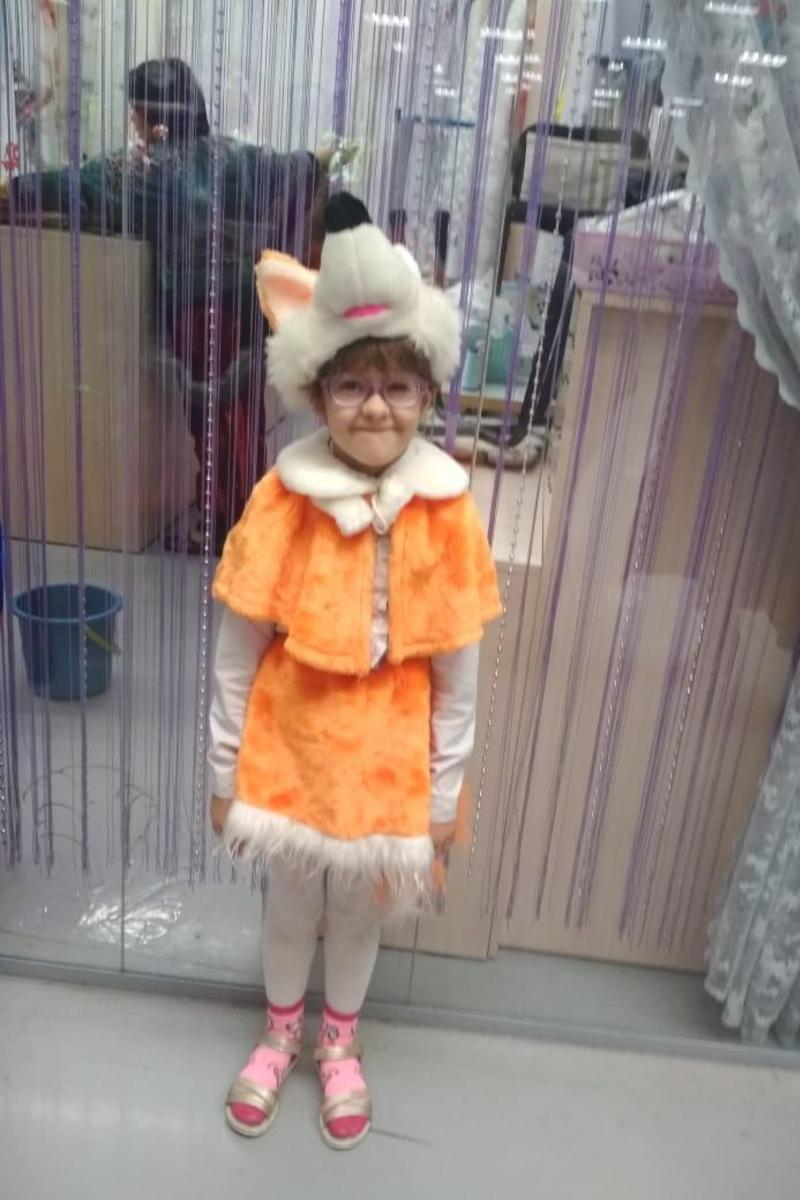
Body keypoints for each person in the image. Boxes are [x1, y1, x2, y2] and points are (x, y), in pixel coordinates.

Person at [206, 192, 501, 1149]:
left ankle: (339, 1044)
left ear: (428, 396)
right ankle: (279, 1034)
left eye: (399, 387)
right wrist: (223, 772)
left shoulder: (447, 511)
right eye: (353, 386)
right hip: (291, 747)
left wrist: (443, 796)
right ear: (318, 392)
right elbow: (237, 648)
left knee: (359, 912)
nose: (376, 405)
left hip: (387, 763)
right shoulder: (283, 498)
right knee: (293, 902)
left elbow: (458, 672)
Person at [12, 57, 326, 553]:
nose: (134, 120)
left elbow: (69, 186)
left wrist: (13, 188)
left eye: (136, 110)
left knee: (213, 422)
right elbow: (306, 168)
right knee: (241, 418)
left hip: (195, 311)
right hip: (248, 307)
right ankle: (244, 517)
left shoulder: (143, 172)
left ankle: (228, 526)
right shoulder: (235, 156)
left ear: (151, 112)